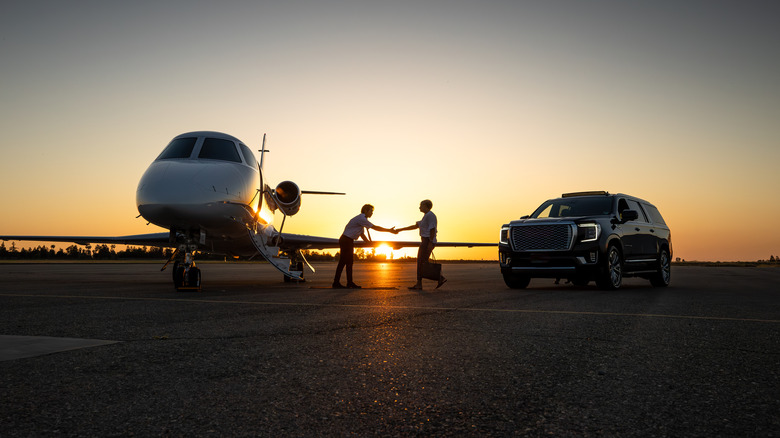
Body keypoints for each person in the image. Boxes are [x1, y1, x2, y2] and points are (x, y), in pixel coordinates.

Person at [333, 204, 397, 289]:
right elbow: (375, 227)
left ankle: (348, 283)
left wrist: (368, 243)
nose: (372, 213)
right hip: (346, 240)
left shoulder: (361, 220)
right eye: (371, 211)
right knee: (344, 262)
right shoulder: (362, 219)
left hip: (348, 240)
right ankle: (337, 283)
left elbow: (362, 234)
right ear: (366, 211)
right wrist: (389, 230)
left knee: (348, 262)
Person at [395, 199, 446, 290]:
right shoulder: (426, 216)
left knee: (421, 262)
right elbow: (415, 226)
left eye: (421, 205)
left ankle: (422, 283)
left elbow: (432, 229)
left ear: (426, 206)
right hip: (425, 240)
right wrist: (400, 229)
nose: (419, 207)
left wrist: (430, 243)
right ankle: (437, 278)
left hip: (427, 241)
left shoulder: (430, 216)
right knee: (423, 262)